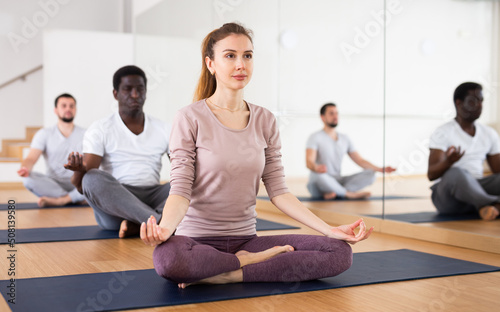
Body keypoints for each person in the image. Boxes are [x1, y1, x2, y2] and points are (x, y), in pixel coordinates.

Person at [140, 23, 373, 288]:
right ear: (211, 63)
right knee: (168, 260)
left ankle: (230, 272)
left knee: (339, 253)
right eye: (230, 56)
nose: (241, 64)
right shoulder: (189, 117)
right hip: (196, 241)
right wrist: (165, 230)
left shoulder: (265, 120)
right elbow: (180, 190)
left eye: (247, 56)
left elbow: (279, 191)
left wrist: (329, 230)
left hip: (247, 241)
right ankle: (244, 263)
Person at [64, 65, 171, 237]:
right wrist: (78, 171)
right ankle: (160, 223)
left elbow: (184, 169)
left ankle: (140, 224)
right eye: (128, 89)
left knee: (193, 182)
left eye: (139, 89)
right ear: (116, 94)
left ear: (145, 92)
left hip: (153, 196)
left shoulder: (164, 128)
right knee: (92, 178)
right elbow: (82, 186)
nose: (135, 95)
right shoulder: (100, 128)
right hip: (116, 206)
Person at [428, 82, 500, 220]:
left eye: (481, 101)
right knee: (456, 173)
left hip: (477, 188)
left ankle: (487, 207)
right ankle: (494, 204)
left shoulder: (489, 133)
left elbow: (498, 171)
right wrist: (448, 162)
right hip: (449, 199)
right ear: (459, 103)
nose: (479, 105)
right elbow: (431, 174)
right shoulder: (442, 132)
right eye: (473, 101)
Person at [306, 103, 396, 200]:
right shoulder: (315, 137)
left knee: (371, 174)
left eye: (337, 113)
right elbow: (309, 162)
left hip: (338, 180)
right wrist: (316, 167)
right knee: (318, 176)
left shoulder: (345, 138)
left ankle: (336, 192)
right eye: (331, 113)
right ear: (322, 117)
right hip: (322, 182)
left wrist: (380, 169)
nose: (335, 116)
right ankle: (348, 194)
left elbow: (360, 160)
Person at [17, 93, 87, 207]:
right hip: (53, 184)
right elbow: (31, 158)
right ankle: (75, 198)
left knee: (98, 178)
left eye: (71, 106)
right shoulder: (44, 134)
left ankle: (61, 200)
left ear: (76, 109)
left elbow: (91, 163)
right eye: (64, 106)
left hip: (78, 182)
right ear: (56, 110)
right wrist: (24, 168)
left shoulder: (86, 134)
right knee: (28, 179)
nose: (68, 109)